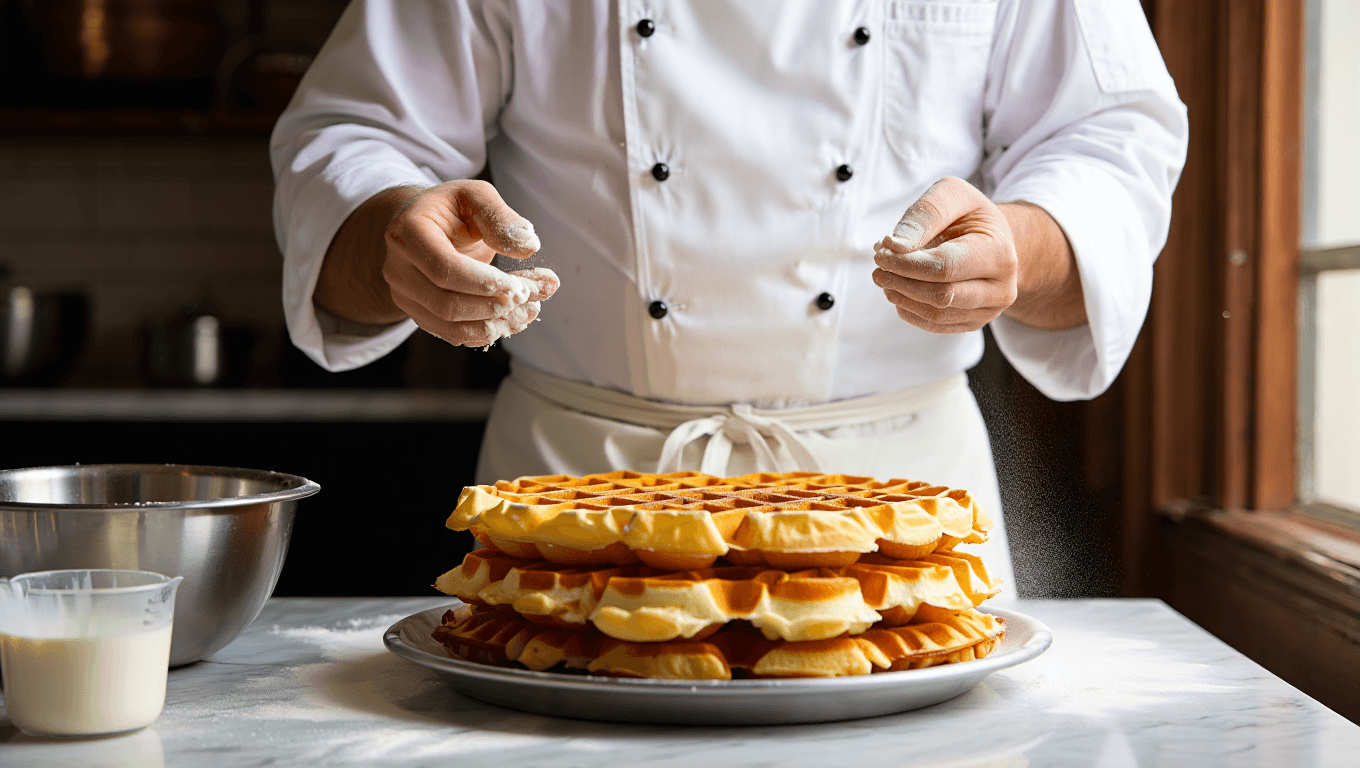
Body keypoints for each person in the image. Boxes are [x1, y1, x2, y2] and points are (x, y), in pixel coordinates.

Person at [270, 0, 1188, 594]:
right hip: (580, 511)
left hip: (903, 519)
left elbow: (1110, 147)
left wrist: (1020, 251)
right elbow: (354, 135)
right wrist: (398, 231)